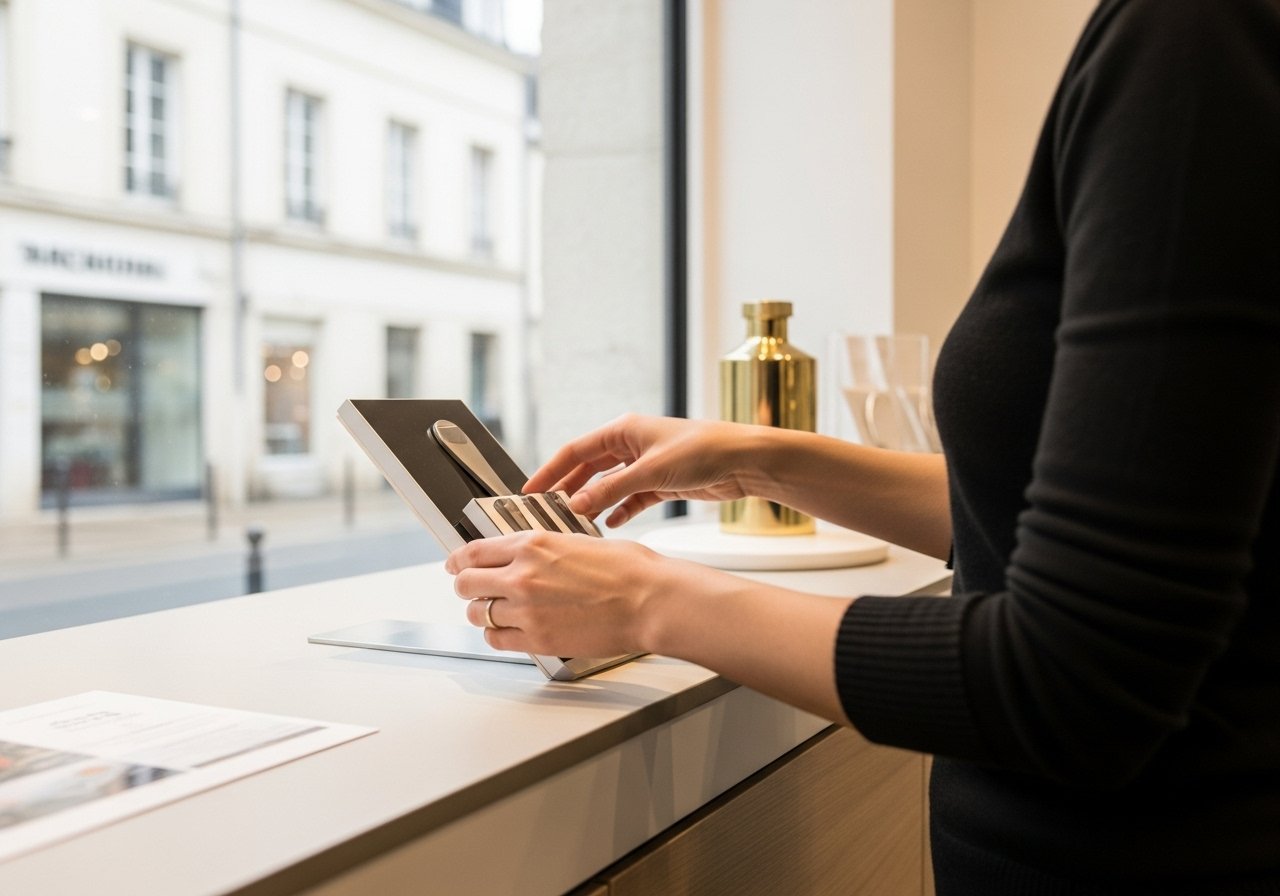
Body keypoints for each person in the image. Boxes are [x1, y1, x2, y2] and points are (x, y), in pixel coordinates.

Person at [446, 0, 1280, 891]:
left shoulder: (1195, 39)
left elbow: (1076, 686)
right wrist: (766, 460)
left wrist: (648, 597)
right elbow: (1085, 516)